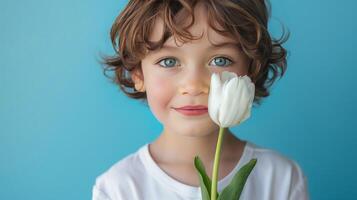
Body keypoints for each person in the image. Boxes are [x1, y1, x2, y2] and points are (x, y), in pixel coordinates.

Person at [92, 0, 309, 199]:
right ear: (138, 74)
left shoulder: (281, 180)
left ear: (251, 70)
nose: (194, 85)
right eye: (168, 61)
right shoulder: (117, 189)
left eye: (220, 60)